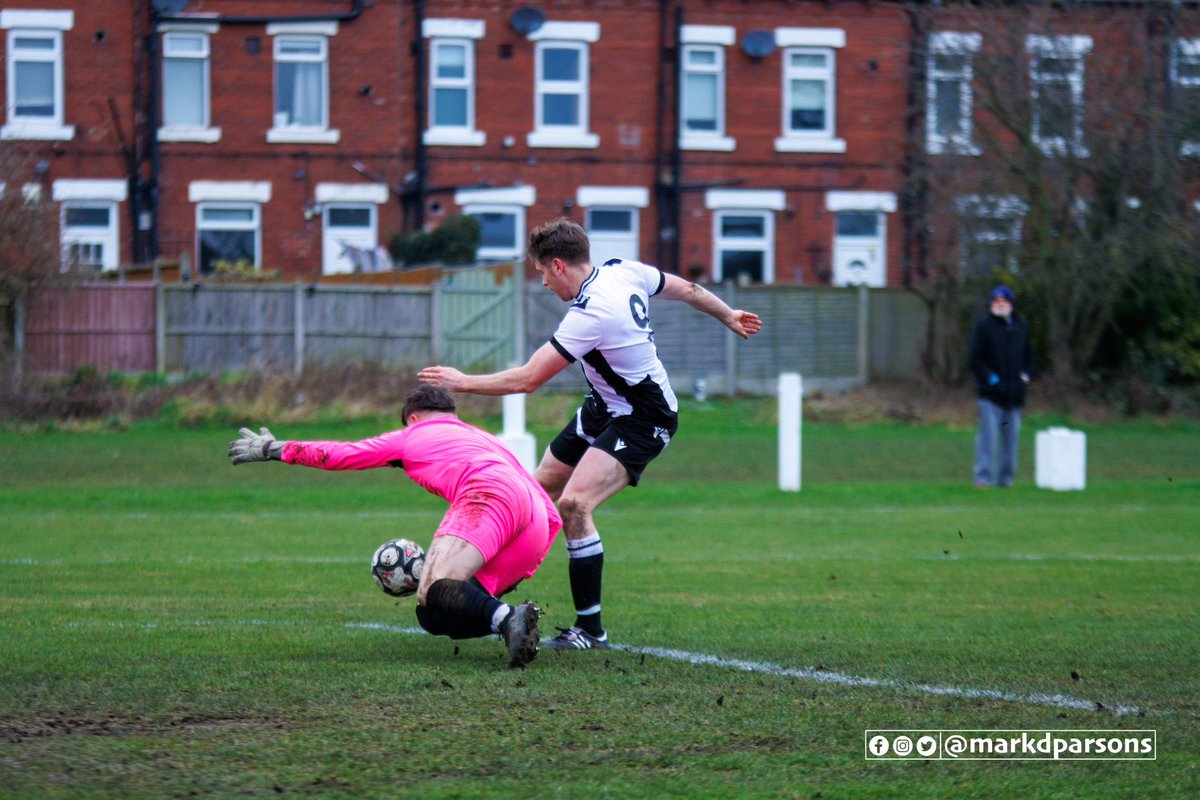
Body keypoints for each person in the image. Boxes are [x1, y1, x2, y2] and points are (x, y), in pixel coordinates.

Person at [418, 217, 762, 650]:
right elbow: (688, 290)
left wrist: (460, 381)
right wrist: (728, 313)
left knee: (574, 504)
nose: (542, 282)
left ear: (559, 265)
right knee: (534, 489)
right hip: (604, 408)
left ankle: (590, 630)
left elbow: (527, 380)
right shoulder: (623, 270)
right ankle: (482, 589)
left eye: (542, 272)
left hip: (643, 417)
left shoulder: (592, 313)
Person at [226, 385, 561, 668]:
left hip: (486, 494)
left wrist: (275, 449)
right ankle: (513, 620)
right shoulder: (485, 438)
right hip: (534, 519)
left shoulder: (413, 435)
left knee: (432, 589)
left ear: (412, 418)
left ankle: (507, 618)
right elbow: (548, 509)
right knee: (433, 615)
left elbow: (341, 454)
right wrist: (529, 556)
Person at [969, 285, 1033, 488]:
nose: (1000, 304)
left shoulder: (1021, 326)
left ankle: (1006, 479)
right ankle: (983, 478)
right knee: (987, 440)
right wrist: (990, 379)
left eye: (1004, 301)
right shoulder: (984, 326)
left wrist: (1026, 375)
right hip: (991, 397)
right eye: (996, 301)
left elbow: (1030, 356)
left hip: (1014, 398)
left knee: (1010, 441)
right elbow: (975, 359)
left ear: (1011, 304)